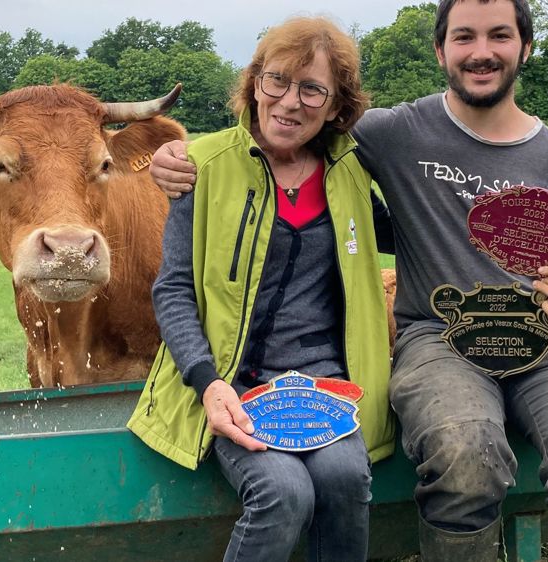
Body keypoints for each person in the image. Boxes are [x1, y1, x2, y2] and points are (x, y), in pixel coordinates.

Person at [149, 1, 548, 560]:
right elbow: (281, 130)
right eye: (464, 36)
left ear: (525, 47)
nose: (481, 52)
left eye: (500, 35)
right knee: (462, 453)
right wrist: (171, 157)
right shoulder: (392, 133)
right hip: (441, 335)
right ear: (441, 50)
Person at [126, 16, 396, 562]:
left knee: (346, 477)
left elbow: (412, 233)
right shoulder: (202, 167)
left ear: (336, 106)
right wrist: (207, 382)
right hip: (236, 384)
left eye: (312, 89)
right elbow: (173, 289)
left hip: (325, 387)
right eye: (277, 80)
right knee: (283, 492)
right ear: (254, 83)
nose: (289, 102)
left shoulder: (350, 171)